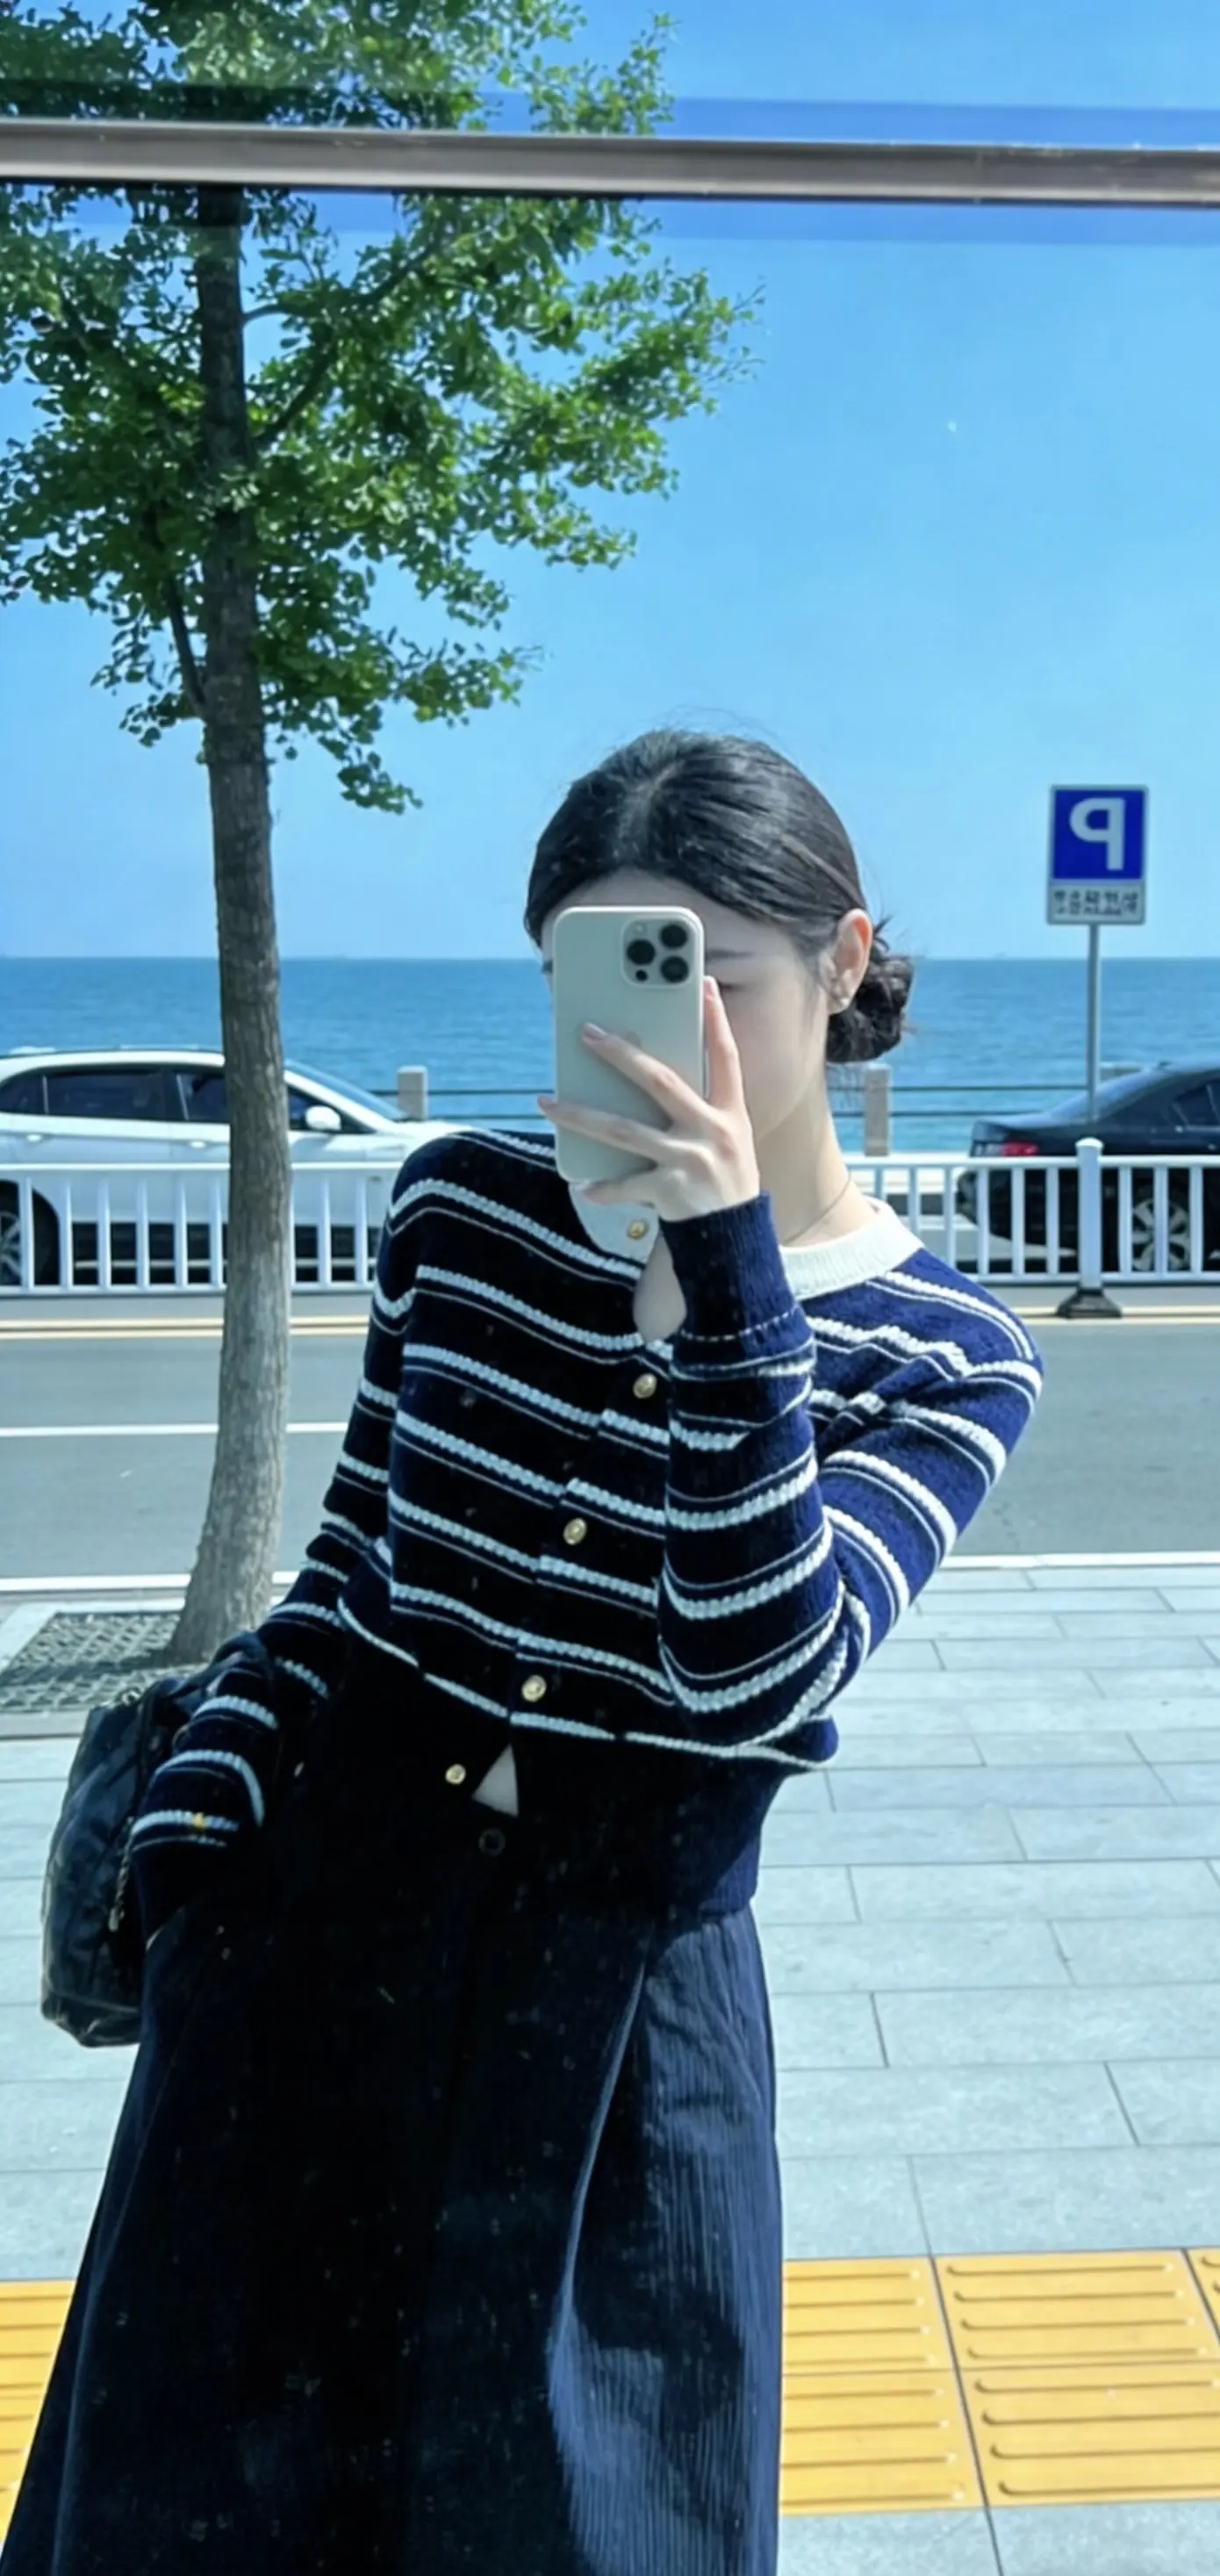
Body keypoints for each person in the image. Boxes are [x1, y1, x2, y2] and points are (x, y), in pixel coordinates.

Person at [5, 730, 1044, 2575]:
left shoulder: (943, 1353)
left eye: (718, 978)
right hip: (310, 1942)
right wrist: (203, 1833)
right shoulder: (463, 1211)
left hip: (624, 2022)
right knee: (198, 2508)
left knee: (590, 2517)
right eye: (604, 976)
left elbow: (755, 1676)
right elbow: (353, 1566)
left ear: (841, 958)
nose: (664, 1037)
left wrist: (724, 1281)